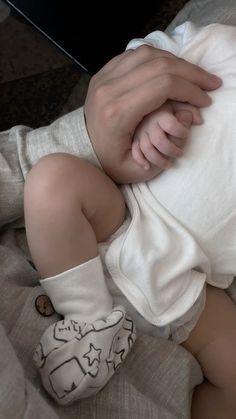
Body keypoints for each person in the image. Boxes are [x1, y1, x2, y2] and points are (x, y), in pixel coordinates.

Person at [22, 17, 236, 419]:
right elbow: (144, 60)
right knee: (52, 181)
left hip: (193, 289)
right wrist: (151, 114)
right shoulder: (219, 45)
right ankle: (88, 323)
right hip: (118, 221)